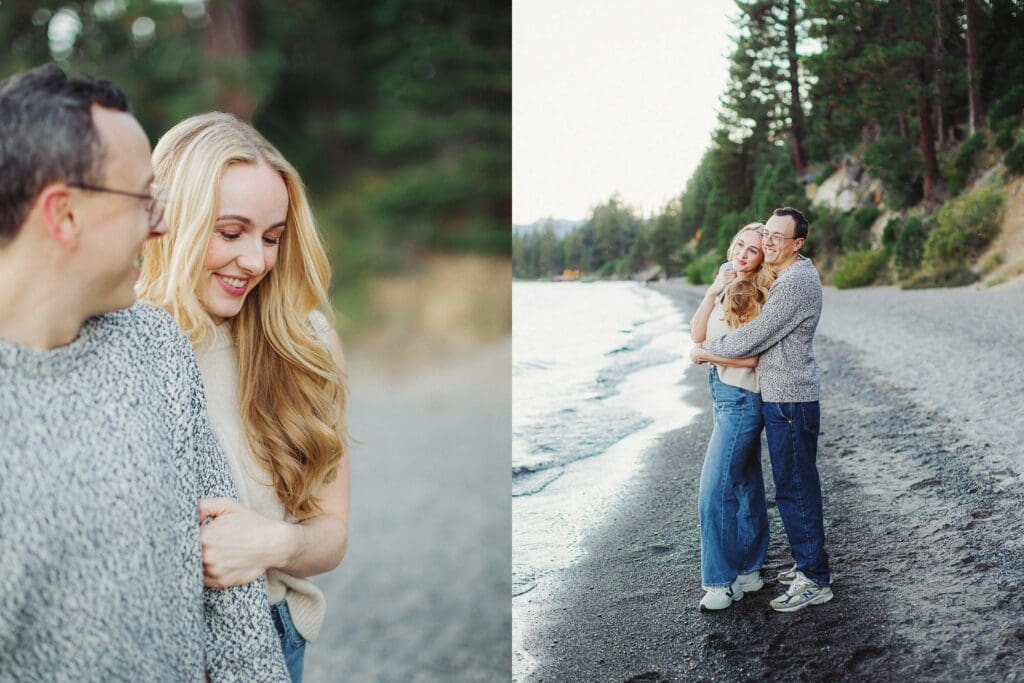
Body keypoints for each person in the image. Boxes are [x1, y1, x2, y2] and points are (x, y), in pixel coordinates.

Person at [0, 65, 288, 680]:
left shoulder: (156, 346)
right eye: (143, 200)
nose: (161, 224)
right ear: (65, 214)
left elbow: (235, 614)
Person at [138, 112, 350, 682]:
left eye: (271, 238)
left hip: (271, 634)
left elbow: (331, 534)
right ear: (174, 220)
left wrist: (272, 543)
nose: (255, 261)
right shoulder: (118, 339)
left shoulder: (304, 344)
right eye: (231, 233)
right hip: (146, 646)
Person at [691, 206, 832, 612]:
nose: (768, 243)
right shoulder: (787, 275)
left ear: (797, 244)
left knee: (795, 489)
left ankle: (814, 578)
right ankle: (805, 567)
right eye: (765, 235)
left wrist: (704, 353)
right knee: (780, 487)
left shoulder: (794, 282)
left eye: (776, 238)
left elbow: (755, 336)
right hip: (779, 395)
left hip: (789, 396)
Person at [688, 223, 775, 610]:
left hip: (741, 398)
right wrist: (711, 289)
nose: (742, 254)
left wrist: (707, 354)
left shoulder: (756, 291)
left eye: (752, 250)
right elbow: (696, 332)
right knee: (743, 484)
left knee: (713, 492)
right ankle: (750, 571)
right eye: (740, 244)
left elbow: (751, 357)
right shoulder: (727, 282)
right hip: (726, 394)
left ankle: (721, 583)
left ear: (762, 258)